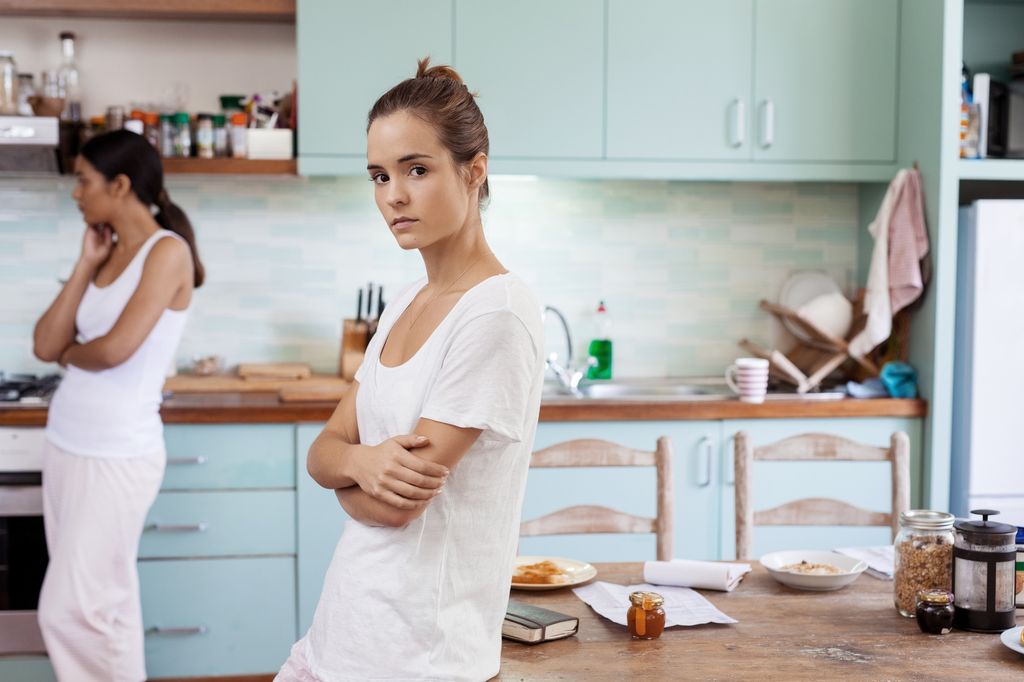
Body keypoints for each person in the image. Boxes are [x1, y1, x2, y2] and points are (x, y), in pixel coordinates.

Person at [276, 59, 545, 682]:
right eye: (379, 175)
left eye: (416, 170)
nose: (392, 194)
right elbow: (322, 452)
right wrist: (361, 464)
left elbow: (397, 509)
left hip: (420, 656)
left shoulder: (495, 315)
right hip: (342, 633)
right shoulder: (405, 303)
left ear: (473, 172)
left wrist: (349, 466)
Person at [32, 129, 204, 682]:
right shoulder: (108, 252)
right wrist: (86, 264)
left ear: (120, 184)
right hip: (67, 445)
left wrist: (68, 354)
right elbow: (44, 343)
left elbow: (115, 349)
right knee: (103, 603)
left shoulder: (166, 252)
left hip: (116, 454)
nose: (76, 192)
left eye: (83, 180)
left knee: (72, 609)